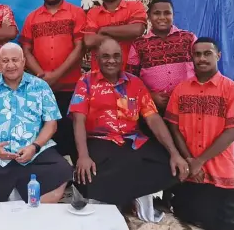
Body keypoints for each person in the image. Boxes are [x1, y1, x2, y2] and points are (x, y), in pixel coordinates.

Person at [69, 38, 189, 207]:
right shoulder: (86, 82)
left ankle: (126, 195)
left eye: (116, 56)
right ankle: (131, 196)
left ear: (122, 58)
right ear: (97, 59)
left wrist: (174, 152)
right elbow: (78, 120)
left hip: (133, 140)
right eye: (106, 56)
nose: (111, 60)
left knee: (169, 166)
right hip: (101, 140)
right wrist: (83, 155)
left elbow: (153, 118)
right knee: (95, 172)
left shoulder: (135, 83)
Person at [0, 42, 72, 204]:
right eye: (5, 61)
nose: (10, 65)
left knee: (61, 169)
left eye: (15, 60)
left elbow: (51, 124)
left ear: (23, 61)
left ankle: (35, 211)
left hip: (34, 150)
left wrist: (34, 147)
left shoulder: (40, 87)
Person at [166, 37, 234, 230]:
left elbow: (231, 132)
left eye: (207, 53)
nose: (202, 58)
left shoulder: (230, 89)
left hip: (220, 172)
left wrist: (200, 160)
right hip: (189, 172)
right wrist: (189, 159)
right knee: (186, 217)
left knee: (222, 222)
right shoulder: (181, 89)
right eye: (197, 54)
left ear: (218, 56)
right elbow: (173, 126)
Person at [20, 0, 86, 160]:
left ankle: (74, 183)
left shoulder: (76, 13)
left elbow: (79, 47)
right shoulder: (32, 18)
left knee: (70, 135)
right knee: (46, 137)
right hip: (41, 89)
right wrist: (42, 76)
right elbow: (26, 50)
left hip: (70, 88)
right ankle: (52, 180)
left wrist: (56, 75)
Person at [127, 0, 196, 116]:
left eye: (167, 13)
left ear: (173, 15)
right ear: (148, 16)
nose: (162, 17)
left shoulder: (188, 39)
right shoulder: (139, 44)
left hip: (187, 106)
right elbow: (131, 79)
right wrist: (150, 95)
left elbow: (202, 68)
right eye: (157, 13)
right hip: (153, 108)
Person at [83, 0, 147, 72]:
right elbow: (89, 41)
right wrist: (124, 33)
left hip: (130, 74)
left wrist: (104, 30)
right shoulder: (93, 13)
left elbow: (137, 29)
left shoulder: (135, 6)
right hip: (100, 75)